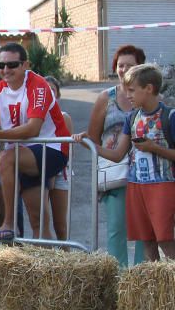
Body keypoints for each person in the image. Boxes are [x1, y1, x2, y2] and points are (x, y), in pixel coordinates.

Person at [75, 64, 175, 261]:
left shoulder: (170, 116)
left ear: (149, 88)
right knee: (146, 240)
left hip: (163, 185)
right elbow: (117, 154)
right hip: (136, 186)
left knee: (165, 240)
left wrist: (154, 148)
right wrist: (91, 145)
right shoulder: (132, 118)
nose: (127, 95)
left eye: (132, 90)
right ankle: (152, 287)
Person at [0, 43, 71, 241]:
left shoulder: (38, 85)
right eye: (0, 65)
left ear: (25, 65)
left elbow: (32, 129)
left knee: (4, 159)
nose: (5, 70)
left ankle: (9, 223)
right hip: (22, 155)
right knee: (38, 220)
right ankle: (47, 268)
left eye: (12, 65)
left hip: (51, 149)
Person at [85, 45, 147, 267]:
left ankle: (141, 280)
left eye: (130, 65)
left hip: (145, 173)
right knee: (116, 229)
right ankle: (119, 282)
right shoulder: (106, 98)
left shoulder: (147, 96)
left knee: (144, 231)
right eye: (121, 65)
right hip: (115, 173)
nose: (124, 70)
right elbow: (92, 138)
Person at [45, 76, 73, 242]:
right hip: (39, 171)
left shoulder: (64, 117)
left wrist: (53, 173)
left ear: (58, 95)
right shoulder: (31, 117)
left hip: (60, 172)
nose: (49, 94)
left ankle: (66, 257)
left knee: (60, 224)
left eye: (52, 91)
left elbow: (66, 149)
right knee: (42, 220)